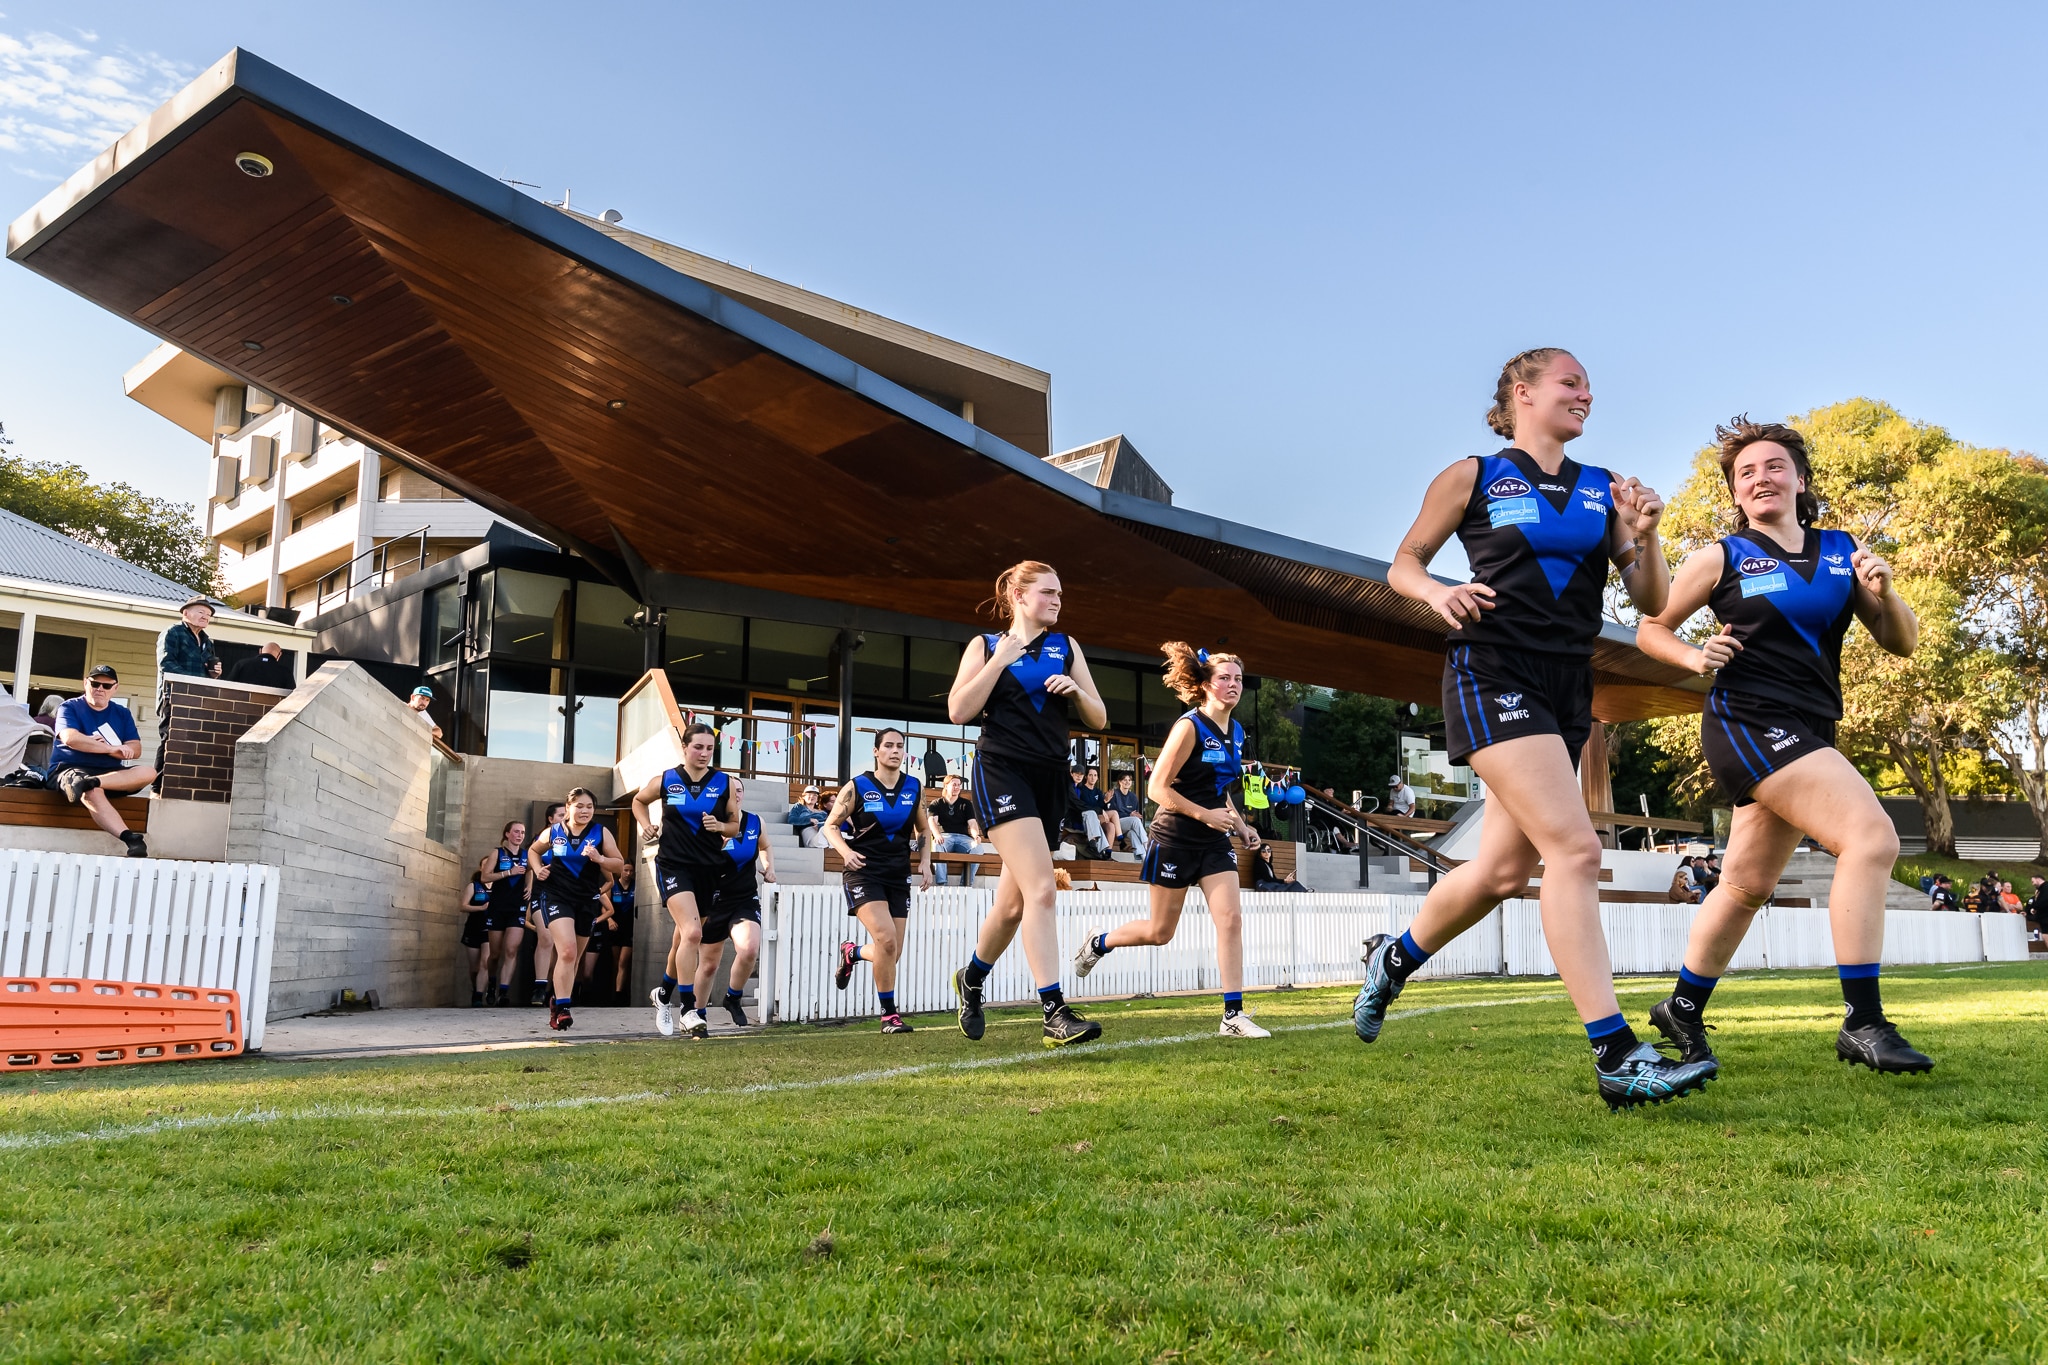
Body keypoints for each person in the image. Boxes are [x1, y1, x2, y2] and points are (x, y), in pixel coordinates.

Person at [1353, 346, 1716, 1110]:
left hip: (1566, 684)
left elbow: (1649, 599)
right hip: (1491, 669)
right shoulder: (1472, 476)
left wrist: (1645, 531)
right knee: (1576, 850)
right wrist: (1435, 592)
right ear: (1522, 392)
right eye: (1571, 382)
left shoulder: (1602, 486)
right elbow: (1404, 560)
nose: (1587, 393)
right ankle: (1617, 1055)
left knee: (1500, 872)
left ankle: (1393, 957)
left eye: (1589, 385)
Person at [1636, 415, 1931, 1076]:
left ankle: (1682, 1006)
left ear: (1800, 478)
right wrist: (1692, 653)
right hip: (1748, 719)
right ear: (1736, 494)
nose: (1761, 478)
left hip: (1811, 727)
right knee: (1872, 838)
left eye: (1774, 466)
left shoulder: (1841, 551)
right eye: (1746, 473)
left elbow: (1902, 641)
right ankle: (1864, 1020)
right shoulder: (1722, 557)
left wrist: (1886, 595)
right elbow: (1650, 628)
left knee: (1743, 885)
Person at [948, 560, 1109, 1047]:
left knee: (1014, 905)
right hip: (1001, 770)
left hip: (1051, 778)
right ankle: (1053, 1011)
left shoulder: (1068, 646)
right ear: (1018, 597)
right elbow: (958, 710)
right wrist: (1000, 660)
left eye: (1060, 593)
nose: (1057, 600)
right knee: (1043, 889)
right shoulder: (986, 645)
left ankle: (971, 979)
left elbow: (1099, 718)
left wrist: (1077, 690)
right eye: (1047, 592)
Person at [1074, 644, 1271, 1037]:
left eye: (1238, 679)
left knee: (1231, 921)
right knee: (1160, 933)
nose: (1232, 685)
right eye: (1224, 678)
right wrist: (1204, 814)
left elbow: (1220, 790)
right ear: (1206, 685)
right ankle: (1099, 942)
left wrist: (1239, 824)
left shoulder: (1237, 731)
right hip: (1176, 838)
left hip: (1214, 841)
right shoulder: (1189, 726)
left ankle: (1233, 1016)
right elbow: (1157, 789)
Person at [634, 722, 741, 1036]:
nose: (704, 753)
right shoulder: (666, 780)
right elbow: (638, 801)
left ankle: (663, 994)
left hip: (708, 869)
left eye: (709, 748)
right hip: (673, 865)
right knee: (693, 933)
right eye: (698, 747)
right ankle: (688, 1009)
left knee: (684, 938)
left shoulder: (725, 783)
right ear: (684, 747)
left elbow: (734, 823)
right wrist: (645, 825)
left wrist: (719, 826)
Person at [828, 728, 937, 1034]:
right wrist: (846, 852)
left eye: (900, 746)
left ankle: (852, 953)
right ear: (876, 751)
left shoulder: (914, 787)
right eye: (888, 746)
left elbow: (923, 831)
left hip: (898, 874)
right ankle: (889, 1015)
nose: (895, 751)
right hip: (863, 872)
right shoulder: (857, 786)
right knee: (886, 939)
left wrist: (925, 863)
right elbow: (829, 827)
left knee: (891, 952)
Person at [526, 787, 624, 1031]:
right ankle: (563, 1007)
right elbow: (533, 851)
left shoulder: (601, 832)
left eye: (589, 806)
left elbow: (620, 865)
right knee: (567, 952)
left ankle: (556, 1001)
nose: (584, 811)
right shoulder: (553, 832)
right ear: (567, 807)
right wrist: (538, 870)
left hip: (587, 900)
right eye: (579, 806)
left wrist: (600, 859)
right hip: (557, 896)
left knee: (575, 958)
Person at [693, 780, 775, 1032]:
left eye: (739, 790)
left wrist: (769, 867)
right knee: (708, 965)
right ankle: (697, 1017)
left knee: (749, 948)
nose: (735, 795)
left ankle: (733, 996)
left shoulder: (754, 821)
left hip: (744, 898)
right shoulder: (707, 821)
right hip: (713, 900)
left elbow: (765, 845)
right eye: (730, 791)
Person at [50, 664, 156, 858]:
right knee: (90, 789)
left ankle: (94, 781)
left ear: (115, 688)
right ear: (85, 683)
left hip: (109, 776)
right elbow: (70, 738)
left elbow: (135, 749)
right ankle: (131, 838)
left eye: (106, 686)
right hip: (69, 769)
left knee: (149, 772)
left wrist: (104, 748)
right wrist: (110, 748)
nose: (100, 689)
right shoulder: (69, 706)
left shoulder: (122, 713)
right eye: (95, 683)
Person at [155, 595, 219, 753]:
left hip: (200, 698)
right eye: (201, 612)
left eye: (208, 614)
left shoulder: (208, 641)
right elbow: (166, 663)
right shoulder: (173, 632)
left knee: (192, 743)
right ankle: (158, 778)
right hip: (173, 696)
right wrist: (190, 681)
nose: (205, 616)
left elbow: (209, 672)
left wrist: (215, 674)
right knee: (170, 742)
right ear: (185, 613)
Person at [479, 821, 527, 1005]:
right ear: (507, 834)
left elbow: (530, 871)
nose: (519, 835)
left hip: (517, 908)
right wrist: (509, 872)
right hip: (498, 907)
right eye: (516, 832)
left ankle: (503, 992)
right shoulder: (497, 853)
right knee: (495, 953)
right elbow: (485, 876)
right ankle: (492, 983)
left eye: (522, 832)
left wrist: (529, 885)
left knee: (511, 949)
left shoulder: (526, 854)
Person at [524, 801, 565, 1005]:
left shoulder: (576, 838)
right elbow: (532, 866)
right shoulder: (543, 838)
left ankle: (554, 990)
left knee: (563, 946)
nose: (565, 818)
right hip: (543, 894)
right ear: (550, 819)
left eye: (566, 815)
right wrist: (530, 886)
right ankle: (539, 988)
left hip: (566, 896)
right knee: (546, 938)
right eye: (560, 815)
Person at [929, 772, 984, 886]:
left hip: (963, 838)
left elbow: (972, 823)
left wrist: (976, 836)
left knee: (978, 849)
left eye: (959, 785)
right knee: (936, 845)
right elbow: (932, 821)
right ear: (946, 786)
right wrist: (937, 835)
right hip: (945, 837)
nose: (957, 787)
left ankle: (966, 883)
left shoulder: (966, 804)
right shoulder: (937, 803)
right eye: (954, 784)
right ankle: (942, 883)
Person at [460, 871, 493, 1005]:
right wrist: (481, 907)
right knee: (474, 968)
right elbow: (463, 906)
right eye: (484, 864)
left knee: (485, 962)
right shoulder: (474, 886)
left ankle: (478, 995)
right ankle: (476, 988)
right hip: (473, 928)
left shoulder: (499, 886)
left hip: (490, 928)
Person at [1064, 763, 1110, 859]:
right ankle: (1095, 846)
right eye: (1076, 774)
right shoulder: (1068, 786)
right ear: (1071, 774)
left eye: (1081, 774)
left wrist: (1102, 806)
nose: (1079, 776)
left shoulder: (1077, 787)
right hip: (1069, 821)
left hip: (1078, 818)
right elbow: (1078, 804)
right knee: (1091, 814)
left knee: (1094, 818)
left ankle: (1098, 847)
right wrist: (1099, 810)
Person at [1107, 772, 1148, 855]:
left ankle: (1142, 857)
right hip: (1117, 825)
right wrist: (1129, 815)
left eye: (1129, 780)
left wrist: (1134, 816)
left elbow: (1136, 814)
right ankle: (1147, 844)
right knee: (1135, 821)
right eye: (1125, 780)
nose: (1127, 782)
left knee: (1133, 833)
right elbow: (1112, 814)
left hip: (1128, 827)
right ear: (1120, 782)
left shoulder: (1133, 797)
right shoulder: (1115, 794)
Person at [228, 641, 294, 689]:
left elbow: (228, 685)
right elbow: (292, 694)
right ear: (279, 655)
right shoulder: (285, 672)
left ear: (260, 651)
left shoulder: (241, 664)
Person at [787, 784, 829, 848]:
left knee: (829, 829)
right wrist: (809, 820)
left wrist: (820, 825)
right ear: (803, 796)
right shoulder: (799, 807)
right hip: (809, 831)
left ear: (817, 798)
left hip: (822, 830)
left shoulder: (823, 813)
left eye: (815, 795)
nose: (812, 796)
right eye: (809, 794)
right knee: (825, 831)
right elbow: (791, 820)